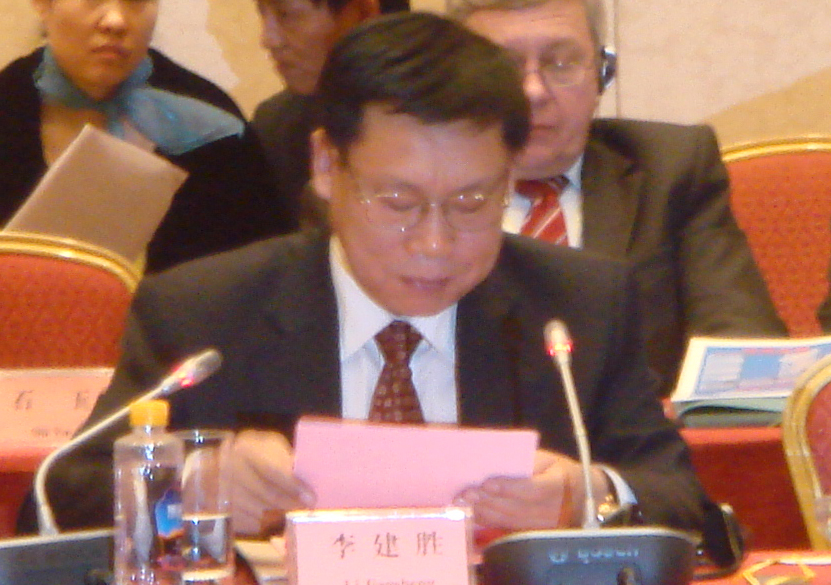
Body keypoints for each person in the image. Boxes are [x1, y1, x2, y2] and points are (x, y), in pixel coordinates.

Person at [23, 12, 708, 541]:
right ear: (327, 167)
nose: (435, 244)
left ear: (509, 177)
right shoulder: (203, 312)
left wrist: (587, 494)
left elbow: (687, 502)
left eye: (472, 202)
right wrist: (191, 483)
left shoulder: (580, 306)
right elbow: (51, 503)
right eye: (399, 202)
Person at [448, 0, 787, 395]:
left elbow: (743, 349)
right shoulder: (412, 192)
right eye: (504, 68)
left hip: (641, 431)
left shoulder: (670, 168)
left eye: (560, 63)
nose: (533, 91)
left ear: (602, 73)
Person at [0, 0, 298, 274]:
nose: (116, 20)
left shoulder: (211, 126)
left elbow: (262, 275)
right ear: (43, 4)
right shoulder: (8, 103)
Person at [251, 0, 390, 226]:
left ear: (363, 13)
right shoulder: (275, 123)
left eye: (286, 15)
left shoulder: (428, 120)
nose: (268, 40)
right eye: (262, 15)